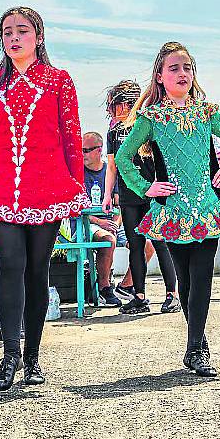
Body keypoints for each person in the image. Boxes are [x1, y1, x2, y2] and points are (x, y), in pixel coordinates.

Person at [0, 6, 90, 391]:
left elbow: (71, 137)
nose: (14, 37)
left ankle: (32, 356)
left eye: (22, 30)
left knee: (37, 270)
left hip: (47, 188)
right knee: (9, 264)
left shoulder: (59, 82)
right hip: (1, 188)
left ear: (38, 36)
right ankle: (9, 354)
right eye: (7, 32)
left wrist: (74, 189)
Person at [116, 41, 220, 378]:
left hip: (209, 206)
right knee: (186, 282)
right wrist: (146, 187)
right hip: (173, 209)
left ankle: (194, 350)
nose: (182, 73)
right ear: (160, 77)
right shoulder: (151, 118)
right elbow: (123, 158)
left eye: (187, 68)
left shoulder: (207, 112)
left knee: (203, 276)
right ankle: (199, 343)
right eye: (174, 68)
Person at [102, 80, 180, 315]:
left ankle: (172, 294)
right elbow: (112, 167)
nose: (109, 111)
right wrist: (108, 195)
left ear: (124, 104)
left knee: (160, 242)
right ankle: (139, 296)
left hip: (154, 193)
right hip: (128, 195)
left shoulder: (150, 124)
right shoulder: (114, 132)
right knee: (135, 246)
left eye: (112, 105)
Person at [78, 131, 120, 307]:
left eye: (87, 150)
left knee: (146, 245)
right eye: (81, 150)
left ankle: (127, 286)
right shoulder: (78, 174)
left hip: (112, 221)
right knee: (108, 239)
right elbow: (77, 209)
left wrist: (116, 224)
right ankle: (104, 287)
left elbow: (120, 205)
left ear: (99, 150)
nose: (83, 155)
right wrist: (100, 222)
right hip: (88, 222)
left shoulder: (110, 172)